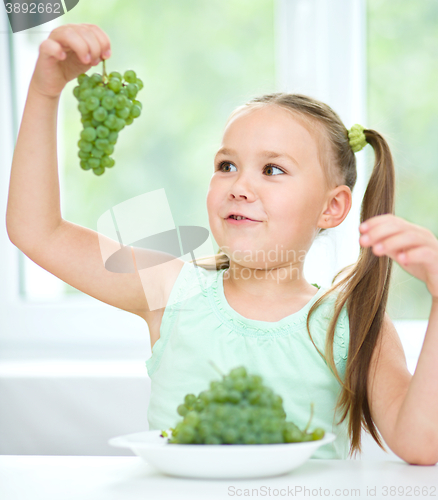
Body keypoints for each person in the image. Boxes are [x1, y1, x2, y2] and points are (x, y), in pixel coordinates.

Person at [6, 23, 438, 464]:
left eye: (272, 170)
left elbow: (421, 444)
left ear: (332, 208)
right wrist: (45, 93)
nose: (240, 186)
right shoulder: (171, 290)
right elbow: (37, 231)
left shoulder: (352, 322)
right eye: (227, 165)